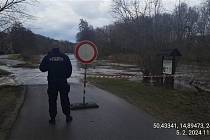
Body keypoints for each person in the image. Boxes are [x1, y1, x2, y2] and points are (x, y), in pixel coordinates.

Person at [39, 48, 72, 124]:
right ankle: (67, 116)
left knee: (52, 100)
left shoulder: (48, 57)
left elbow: (42, 68)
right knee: (65, 99)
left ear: (52, 50)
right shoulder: (64, 56)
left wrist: (49, 66)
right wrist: (65, 76)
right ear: (59, 49)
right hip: (63, 82)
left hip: (52, 82)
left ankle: (52, 118)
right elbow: (69, 69)